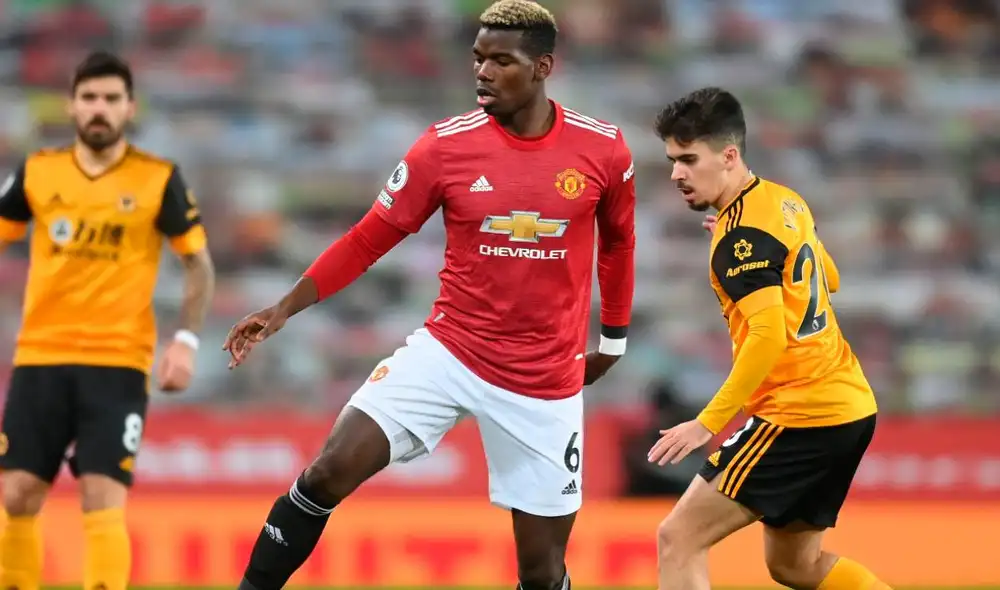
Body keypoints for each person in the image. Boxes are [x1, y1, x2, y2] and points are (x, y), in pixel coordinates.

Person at [223, 2, 635, 589]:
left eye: (501, 60)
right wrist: (283, 308)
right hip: (449, 352)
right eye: (477, 58)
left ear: (543, 66)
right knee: (327, 472)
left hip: (544, 379)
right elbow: (369, 237)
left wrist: (614, 341)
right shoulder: (443, 148)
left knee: (542, 574)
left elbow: (618, 245)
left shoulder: (604, 150)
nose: (483, 73)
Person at [646, 87, 889, 590]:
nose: (676, 174)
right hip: (848, 406)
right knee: (794, 566)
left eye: (689, 159)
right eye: (672, 160)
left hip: (800, 413)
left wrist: (706, 424)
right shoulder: (784, 201)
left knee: (678, 538)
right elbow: (830, 278)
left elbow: (767, 336)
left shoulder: (740, 239)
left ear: (729, 155)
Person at [0, 51, 215, 590]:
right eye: (90, 98)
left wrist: (185, 341)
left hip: (117, 363)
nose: (100, 109)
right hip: (41, 357)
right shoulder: (36, 172)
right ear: (72, 105)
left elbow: (199, 265)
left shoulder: (157, 179)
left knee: (101, 496)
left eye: (111, 100)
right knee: (16, 494)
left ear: (129, 107)